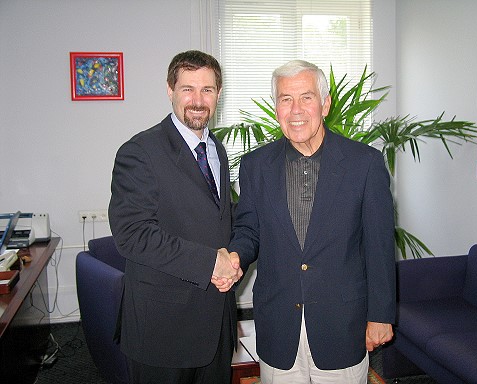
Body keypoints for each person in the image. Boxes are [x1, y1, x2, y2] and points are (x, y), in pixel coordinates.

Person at [226, 60, 396, 383]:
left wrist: (381, 315)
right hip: (278, 326)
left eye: (306, 97)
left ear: (325, 104)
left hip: (341, 326)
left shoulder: (365, 164)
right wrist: (234, 257)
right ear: (276, 108)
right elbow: (248, 230)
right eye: (285, 99)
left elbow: (379, 246)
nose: (296, 110)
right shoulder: (254, 167)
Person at [109, 50, 242, 384]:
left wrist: (234, 258)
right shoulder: (139, 152)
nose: (197, 100)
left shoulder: (218, 150)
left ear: (218, 94)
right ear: (170, 90)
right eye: (187, 89)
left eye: (207, 90)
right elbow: (133, 235)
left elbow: (215, 220)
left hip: (215, 320)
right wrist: (211, 263)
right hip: (163, 330)